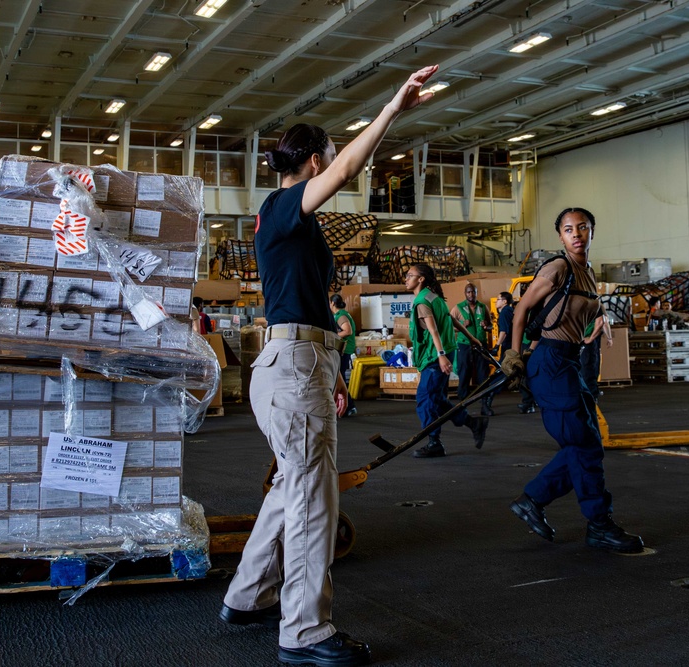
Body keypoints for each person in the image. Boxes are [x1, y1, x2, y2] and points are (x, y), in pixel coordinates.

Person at [219, 64, 440, 667]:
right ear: (313, 162)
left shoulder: (292, 221)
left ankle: (246, 596)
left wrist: (335, 369)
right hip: (292, 364)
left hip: (301, 359)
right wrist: (393, 107)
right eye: (331, 155)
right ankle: (305, 630)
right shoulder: (286, 206)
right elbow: (349, 169)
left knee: (293, 484)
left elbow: (314, 305)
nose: (339, 162)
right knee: (315, 497)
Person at [502, 207, 644, 553]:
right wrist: (515, 354)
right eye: (568, 229)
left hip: (569, 361)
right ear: (561, 237)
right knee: (584, 446)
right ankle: (597, 523)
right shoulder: (558, 267)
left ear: (592, 231)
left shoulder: (587, 273)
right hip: (550, 363)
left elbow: (577, 314)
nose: (576, 233)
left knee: (587, 445)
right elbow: (522, 310)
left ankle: (535, 501)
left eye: (582, 227)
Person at [407, 263, 489, 458]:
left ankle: (434, 442)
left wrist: (441, 354)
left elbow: (434, 330)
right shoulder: (434, 297)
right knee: (436, 398)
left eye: (410, 275)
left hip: (435, 355)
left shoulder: (422, 301)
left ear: (421, 279)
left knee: (425, 400)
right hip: (442, 352)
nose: (406, 278)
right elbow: (451, 320)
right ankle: (472, 423)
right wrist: (471, 337)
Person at [451, 283, 493, 415]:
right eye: (468, 292)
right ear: (465, 293)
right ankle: (462, 405)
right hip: (464, 345)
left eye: (473, 292)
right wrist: (461, 325)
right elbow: (449, 327)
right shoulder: (457, 308)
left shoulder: (483, 307)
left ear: (476, 293)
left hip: (481, 345)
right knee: (464, 374)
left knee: (483, 375)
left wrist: (487, 326)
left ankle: (485, 405)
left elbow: (491, 326)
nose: (471, 295)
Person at [495, 291, 536, 414]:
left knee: (520, 373)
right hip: (525, 345)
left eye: (498, 299)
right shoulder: (514, 312)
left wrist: (497, 346)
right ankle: (531, 402)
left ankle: (529, 403)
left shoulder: (507, 313)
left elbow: (506, 331)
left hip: (525, 346)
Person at [329, 294, 357, 417]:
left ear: (332, 303)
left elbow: (347, 331)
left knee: (338, 377)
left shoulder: (341, 315)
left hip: (344, 350)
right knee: (337, 377)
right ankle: (346, 407)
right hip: (343, 349)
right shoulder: (339, 315)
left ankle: (349, 406)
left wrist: (331, 337)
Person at [579, 314, 611, 402]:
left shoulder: (594, 306)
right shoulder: (594, 305)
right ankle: (590, 395)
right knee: (587, 368)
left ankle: (591, 396)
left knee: (586, 369)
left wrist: (591, 338)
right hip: (584, 340)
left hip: (586, 340)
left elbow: (602, 322)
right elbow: (603, 323)